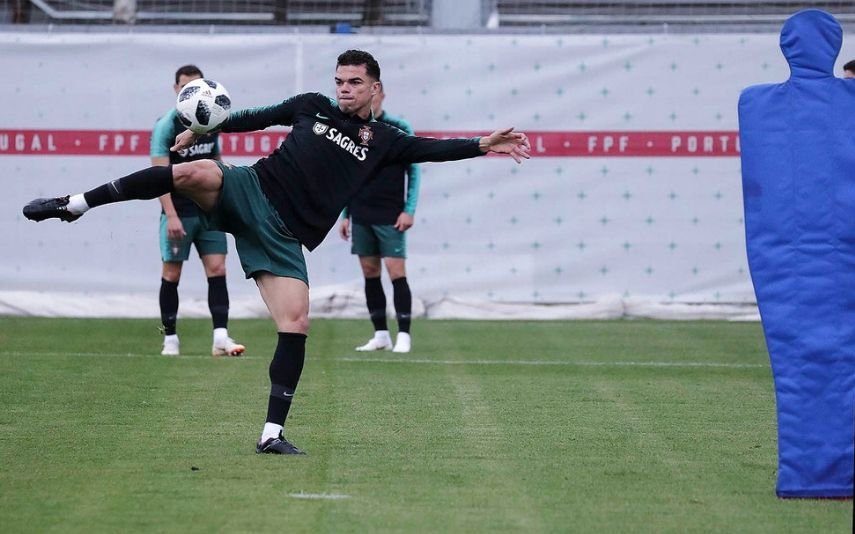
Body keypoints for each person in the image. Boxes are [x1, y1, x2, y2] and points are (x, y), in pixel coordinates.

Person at [23, 49, 531, 455]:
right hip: (251, 188)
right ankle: (75, 204)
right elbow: (250, 118)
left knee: (297, 324)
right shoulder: (311, 105)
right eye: (340, 81)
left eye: (354, 82)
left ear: (375, 87)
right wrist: (204, 128)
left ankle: (270, 432)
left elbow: (433, 149)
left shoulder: (387, 140)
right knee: (192, 172)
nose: (344, 89)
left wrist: (483, 143)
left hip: (285, 236)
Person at [152, 64, 245, 357]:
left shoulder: (209, 122)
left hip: (209, 212)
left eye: (196, 86)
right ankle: (170, 340)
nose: (189, 92)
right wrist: (171, 216)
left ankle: (220, 338)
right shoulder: (166, 126)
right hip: (179, 212)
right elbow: (158, 177)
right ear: (176, 90)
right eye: (184, 87)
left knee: (217, 269)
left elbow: (214, 161)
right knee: (172, 274)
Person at [339, 82, 417, 353]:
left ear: (381, 93)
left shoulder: (399, 127)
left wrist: (409, 209)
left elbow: (414, 171)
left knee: (396, 273)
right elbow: (346, 174)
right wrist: (345, 214)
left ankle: (404, 335)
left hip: (391, 213)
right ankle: (381, 334)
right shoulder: (350, 129)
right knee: (370, 273)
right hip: (361, 211)